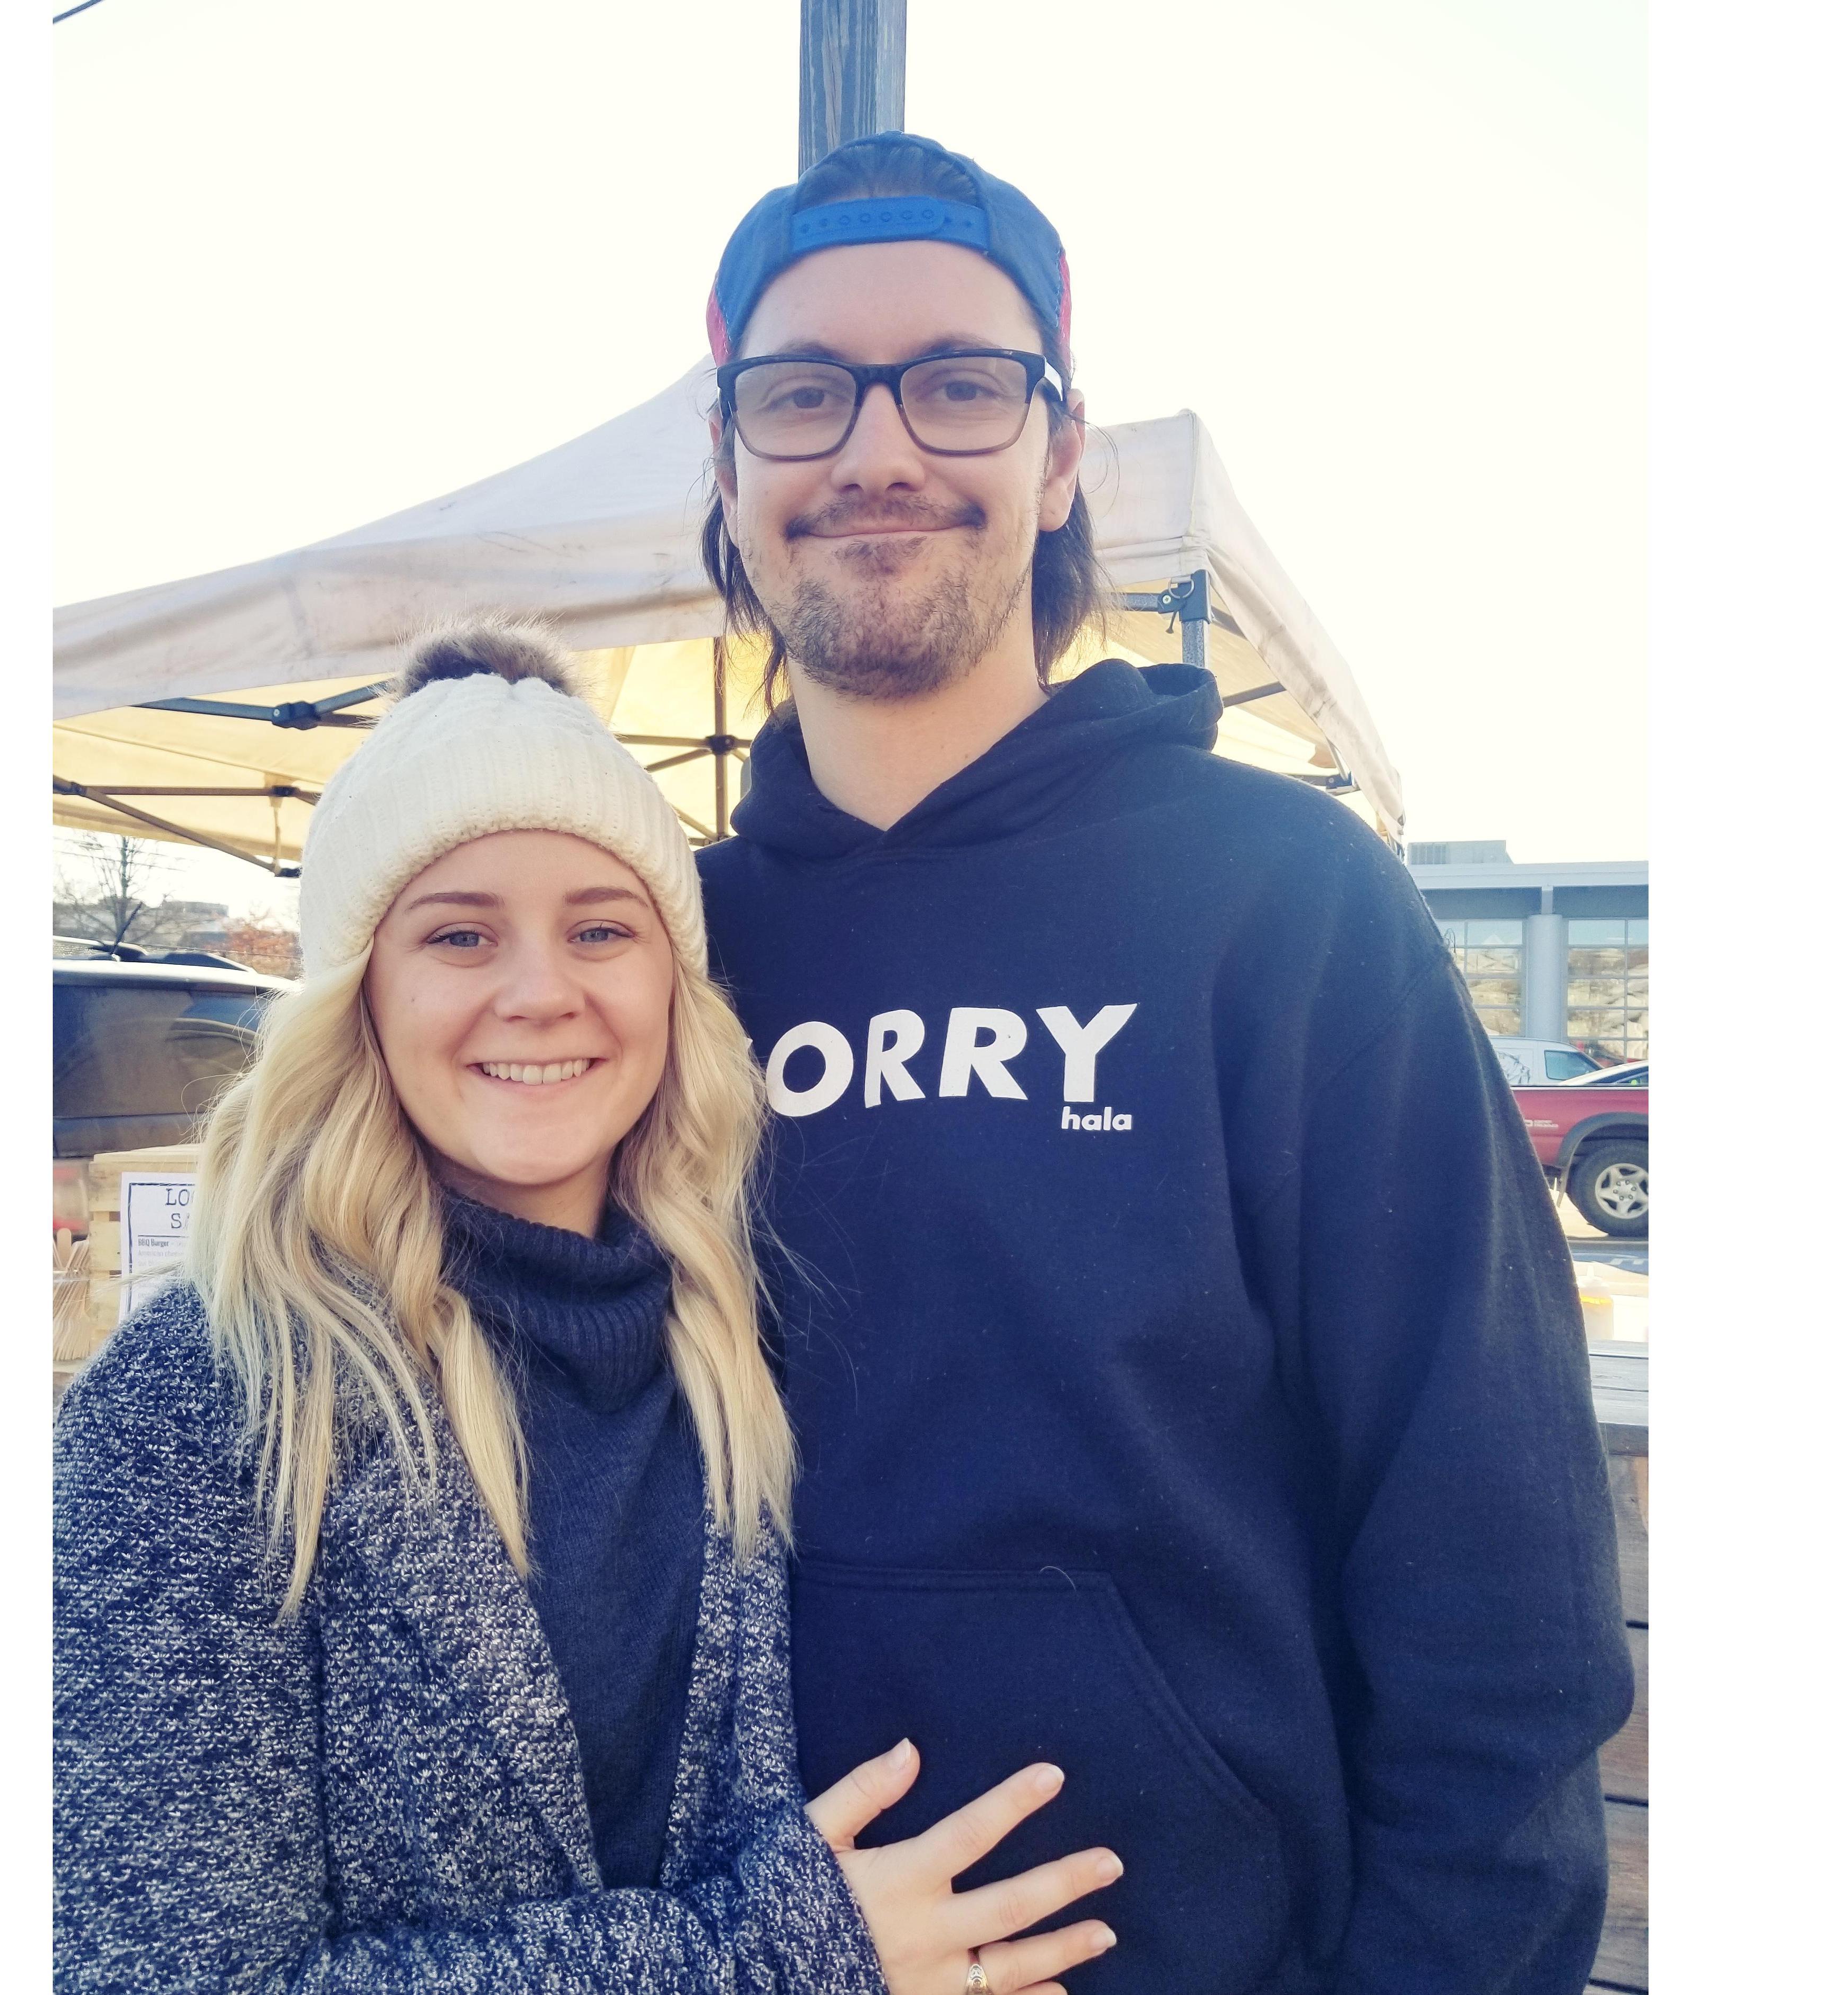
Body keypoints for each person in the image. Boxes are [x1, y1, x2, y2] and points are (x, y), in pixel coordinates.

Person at [696, 132, 1637, 1994]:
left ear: (1059, 457)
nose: (877, 448)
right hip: (702, 1948)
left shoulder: (1285, 906)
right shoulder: (637, 955)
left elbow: (1495, 1597)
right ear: (724, 471)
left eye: (959, 384)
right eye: (799, 395)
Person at [53, 621, 1123, 1994]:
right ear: (359, 997)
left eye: (599, 927)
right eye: (459, 932)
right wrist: (775, 1962)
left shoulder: (735, 1340)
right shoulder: (203, 1403)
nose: (541, 988)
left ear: (673, 989)